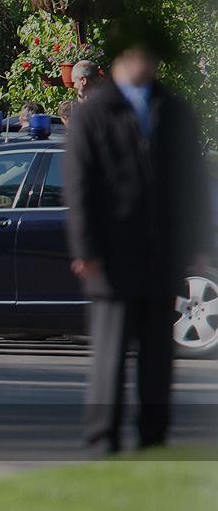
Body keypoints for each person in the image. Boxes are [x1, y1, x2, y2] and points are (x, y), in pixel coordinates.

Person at [64, 44, 211, 455]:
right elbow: (79, 184)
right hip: (112, 256)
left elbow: (192, 182)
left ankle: (153, 439)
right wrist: (85, 248)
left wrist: (196, 243)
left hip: (161, 254)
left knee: (157, 358)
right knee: (110, 356)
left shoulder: (174, 110)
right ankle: (102, 440)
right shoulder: (95, 113)